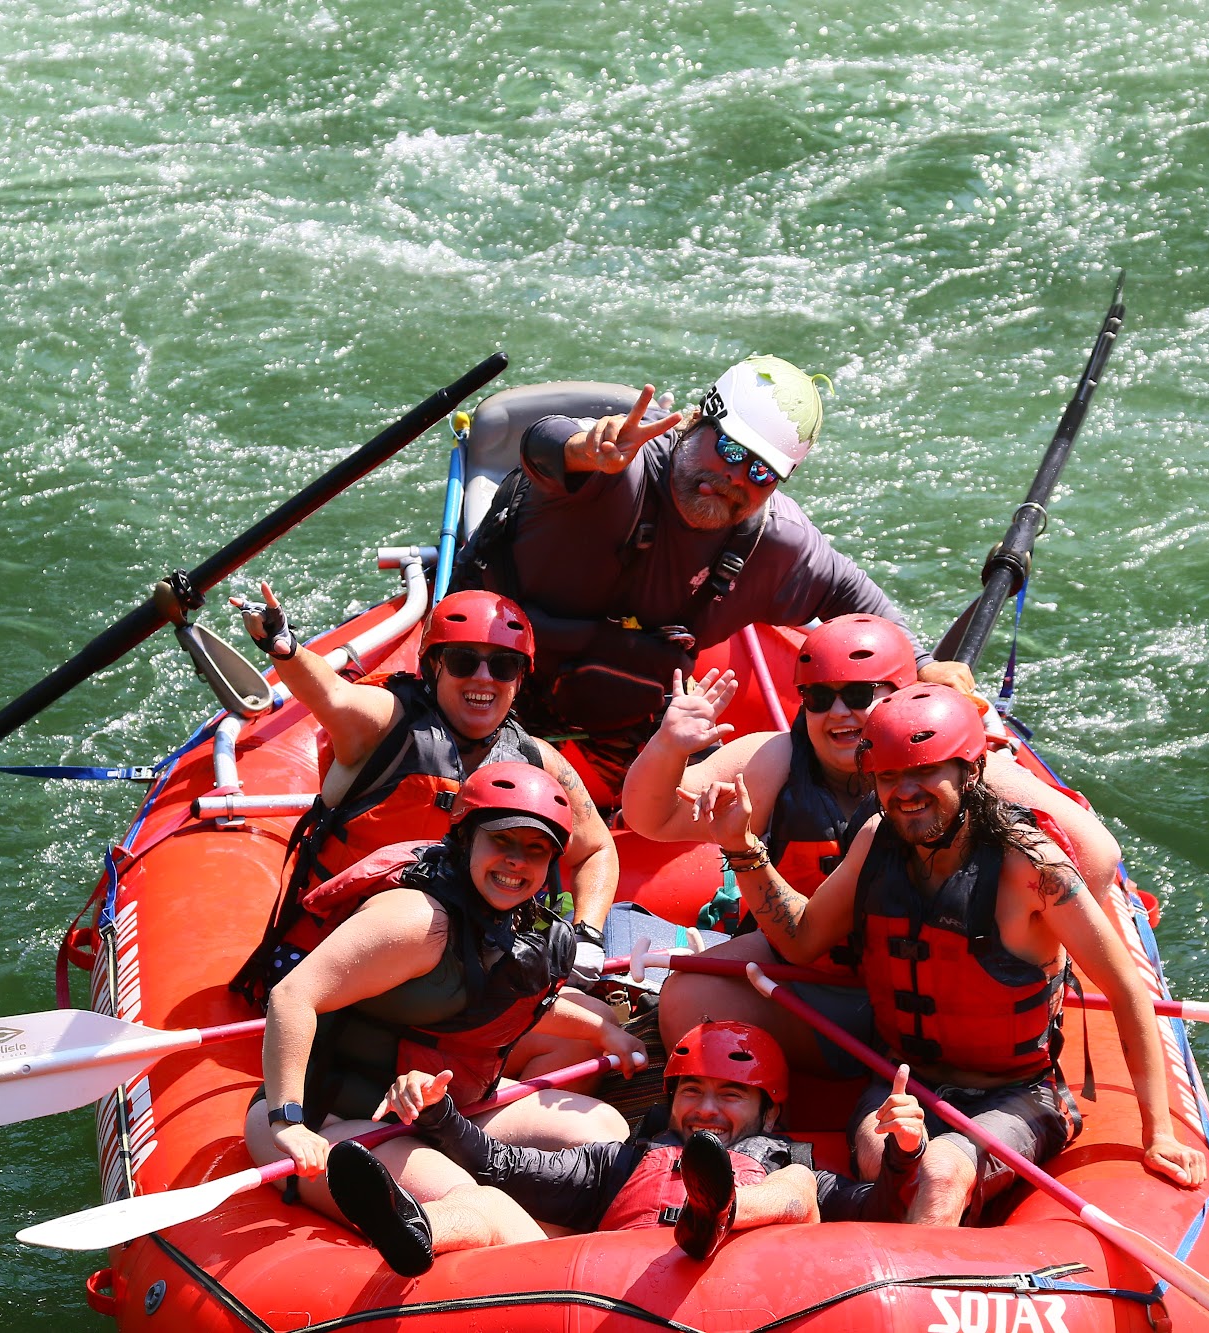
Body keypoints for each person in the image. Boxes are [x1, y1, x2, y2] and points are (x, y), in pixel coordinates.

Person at [679, 685, 1208, 1225]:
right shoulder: (875, 840)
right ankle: (814, 1209)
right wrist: (741, 846)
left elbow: (1124, 988)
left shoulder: (1032, 867)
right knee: (880, 1158)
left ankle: (854, 1229)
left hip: (1016, 1094)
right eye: (889, 776)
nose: (905, 791)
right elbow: (801, 938)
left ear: (971, 771)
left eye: (925, 772)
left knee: (941, 1172)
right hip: (902, 1081)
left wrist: (1158, 1133)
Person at [623, 616, 1130, 1077]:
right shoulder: (772, 760)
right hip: (807, 969)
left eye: (859, 694)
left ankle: (905, 1061)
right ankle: (830, 1073)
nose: (838, 712)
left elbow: (1097, 857)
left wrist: (1013, 936)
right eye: (818, 697)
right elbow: (653, 818)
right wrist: (668, 746)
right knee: (689, 997)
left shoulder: (964, 773)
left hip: (934, 983)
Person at [452, 358, 977, 784]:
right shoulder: (616, 469)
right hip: (483, 684)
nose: (735, 478)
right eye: (729, 448)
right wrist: (586, 449)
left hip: (621, 721)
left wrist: (926, 666)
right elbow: (545, 444)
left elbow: (860, 602)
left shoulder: (776, 543)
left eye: (762, 471)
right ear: (697, 420)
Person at [237, 763, 643, 1226]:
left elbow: (505, 1009)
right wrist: (287, 1121)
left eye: (535, 849)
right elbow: (293, 995)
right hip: (328, 1118)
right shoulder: (417, 919)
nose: (516, 861)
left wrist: (604, 1033)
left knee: (603, 1131)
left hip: (438, 1111)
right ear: (466, 838)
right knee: (475, 1205)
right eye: (502, 840)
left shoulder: (513, 922)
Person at [323, 1021, 930, 1275]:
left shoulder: (792, 1167)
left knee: (796, 1191)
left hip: (739, 1282)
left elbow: (879, 1212)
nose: (707, 1110)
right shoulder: (621, 1160)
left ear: (770, 1111)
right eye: (692, 1092)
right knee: (485, 1201)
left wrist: (903, 1153)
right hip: (609, 1290)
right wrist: (438, 1113)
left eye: (731, 1095)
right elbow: (500, 1165)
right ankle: (413, 1227)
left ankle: (719, 1212)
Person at [235, 583, 617, 984]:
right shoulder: (386, 724)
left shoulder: (536, 760)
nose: (483, 678)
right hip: (334, 952)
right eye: (463, 661)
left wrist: (587, 934)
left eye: (503, 666)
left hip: (459, 969)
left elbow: (596, 848)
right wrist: (284, 648)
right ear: (434, 667)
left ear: (519, 679)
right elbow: (334, 695)